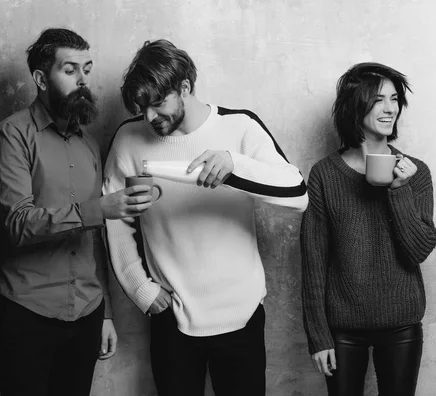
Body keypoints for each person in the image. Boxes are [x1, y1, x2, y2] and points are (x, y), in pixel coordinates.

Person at [103, 39, 308, 396]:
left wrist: (235, 166)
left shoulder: (239, 127)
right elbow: (114, 218)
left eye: (157, 103)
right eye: (142, 106)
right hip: (171, 315)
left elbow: (298, 194)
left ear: (185, 87)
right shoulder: (128, 139)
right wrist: (139, 287)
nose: (150, 117)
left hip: (241, 313)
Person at [0, 28, 153, 396]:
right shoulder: (11, 135)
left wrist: (105, 312)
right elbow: (16, 223)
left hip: (87, 313)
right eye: (70, 70)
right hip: (27, 313)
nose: (82, 80)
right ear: (41, 79)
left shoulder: (89, 144)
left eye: (87, 70)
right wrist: (96, 209)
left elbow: (94, 238)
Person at [300, 62, 436, 396]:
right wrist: (319, 337)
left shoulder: (415, 172)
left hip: (402, 323)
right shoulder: (325, 175)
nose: (391, 108)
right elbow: (313, 260)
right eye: (379, 100)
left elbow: (418, 250)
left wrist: (399, 190)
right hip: (343, 330)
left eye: (394, 99)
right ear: (355, 105)